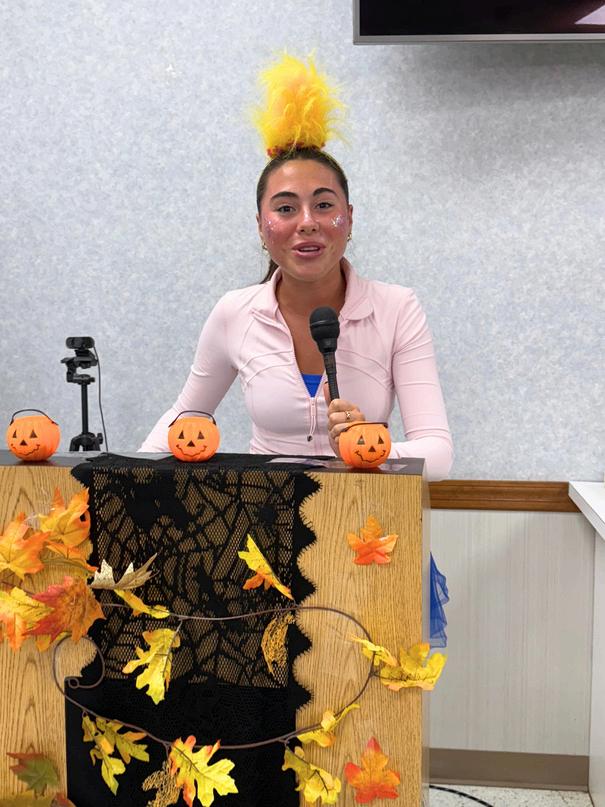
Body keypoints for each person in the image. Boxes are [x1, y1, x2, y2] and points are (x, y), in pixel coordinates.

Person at [140, 55, 453, 481]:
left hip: (365, 511)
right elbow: (184, 418)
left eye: (323, 205)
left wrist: (367, 449)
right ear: (261, 226)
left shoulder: (396, 308)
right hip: (264, 513)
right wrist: (120, 479)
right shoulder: (234, 312)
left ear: (349, 218)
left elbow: (437, 453)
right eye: (286, 208)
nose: (307, 222)